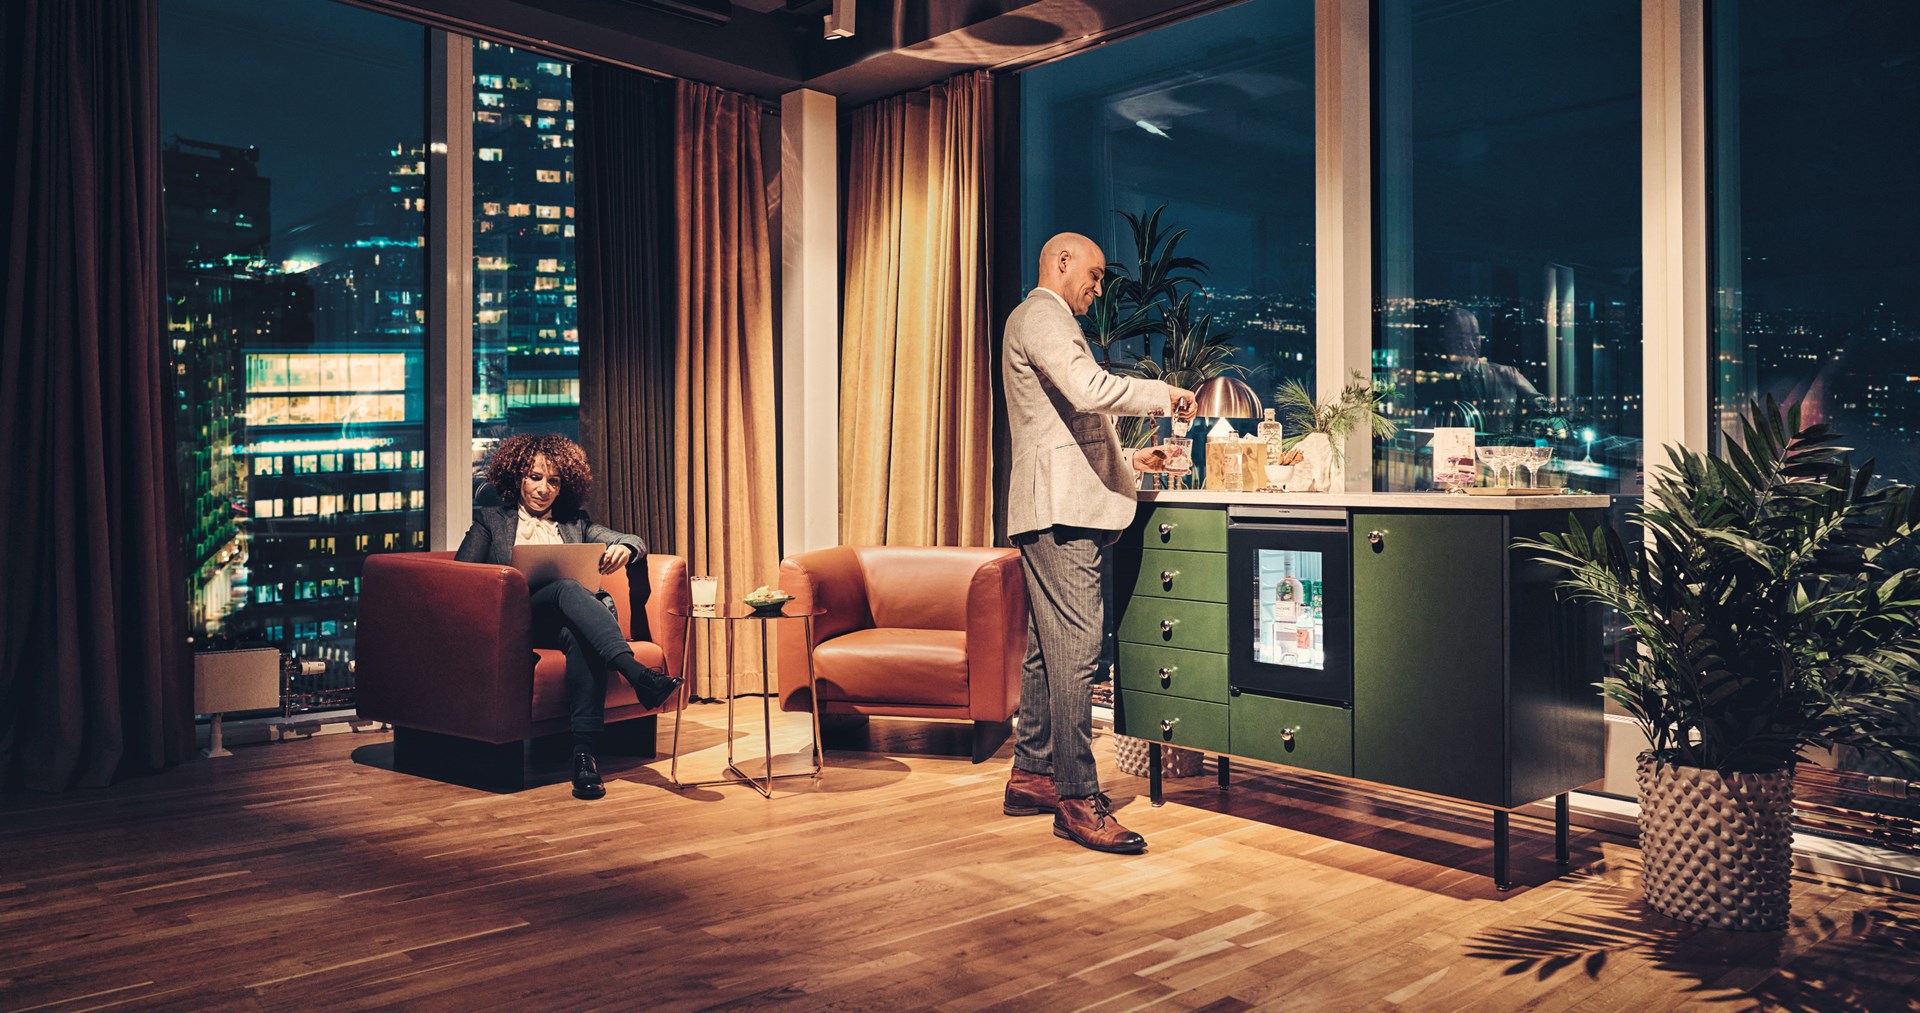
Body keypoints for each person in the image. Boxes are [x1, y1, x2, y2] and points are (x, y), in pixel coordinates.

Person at [1001, 231, 1198, 854]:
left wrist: (1136, 458)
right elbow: (1091, 390)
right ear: (1061, 263)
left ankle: (1033, 773)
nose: (1099, 284)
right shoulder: (1043, 315)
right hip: (1059, 513)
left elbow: (1069, 429)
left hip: (1053, 504)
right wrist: (1164, 392)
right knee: (1081, 648)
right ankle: (1077, 799)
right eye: (1094, 272)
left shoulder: (1042, 321)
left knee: (1047, 649)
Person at [455, 433, 682, 800]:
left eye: (554, 481)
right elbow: (462, 573)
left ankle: (584, 756)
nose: (544, 489)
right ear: (517, 478)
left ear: (564, 486)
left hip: (557, 624)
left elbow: (634, 539)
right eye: (535, 477)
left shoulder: (576, 523)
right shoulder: (490, 521)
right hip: (515, 623)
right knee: (568, 587)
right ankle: (638, 675)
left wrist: (624, 548)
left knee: (579, 636)